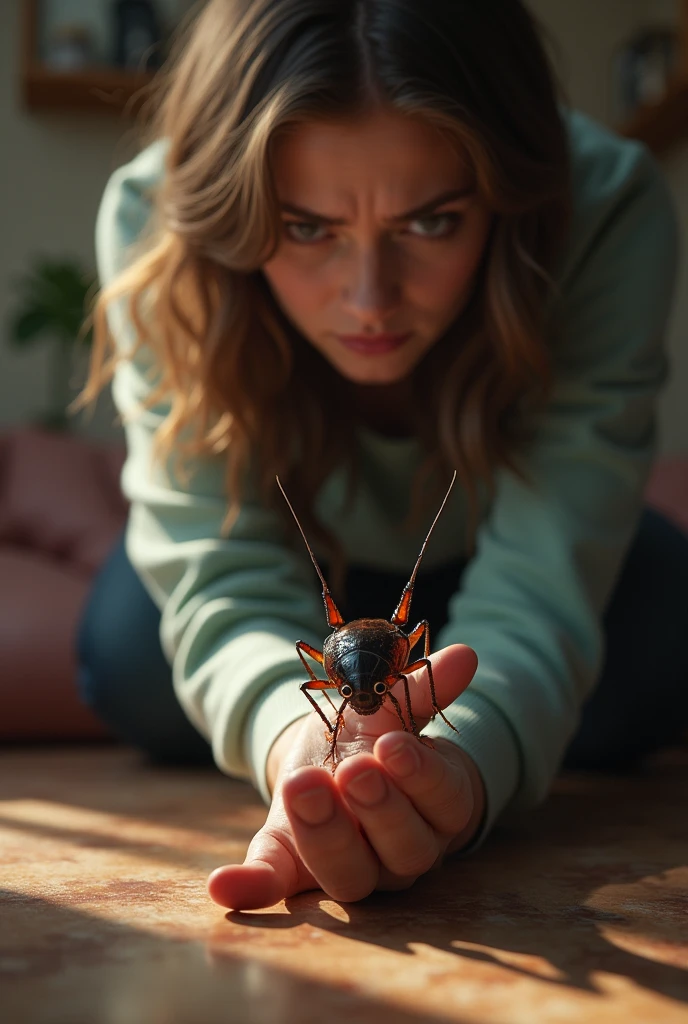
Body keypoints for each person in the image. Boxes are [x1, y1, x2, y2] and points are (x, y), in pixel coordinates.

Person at [74, 0, 687, 912]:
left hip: (520, 549)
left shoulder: (607, 205)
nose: (369, 301)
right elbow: (218, 563)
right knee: (132, 656)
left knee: (662, 647)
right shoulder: (157, 216)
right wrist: (298, 748)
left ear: (510, 198)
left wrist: (465, 768)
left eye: (432, 221)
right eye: (308, 227)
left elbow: (547, 578)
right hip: (310, 578)